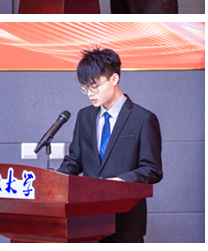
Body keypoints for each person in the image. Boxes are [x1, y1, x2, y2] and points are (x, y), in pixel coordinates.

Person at [57, 47, 163, 243]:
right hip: (88, 220)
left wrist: (118, 182)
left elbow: (152, 169)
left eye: (94, 86)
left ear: (114, 79)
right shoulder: (84, 116)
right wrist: (53, 181)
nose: (90, 93)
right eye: (85, 88)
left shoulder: (143, 118)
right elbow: (74, 161)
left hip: (126, 222)